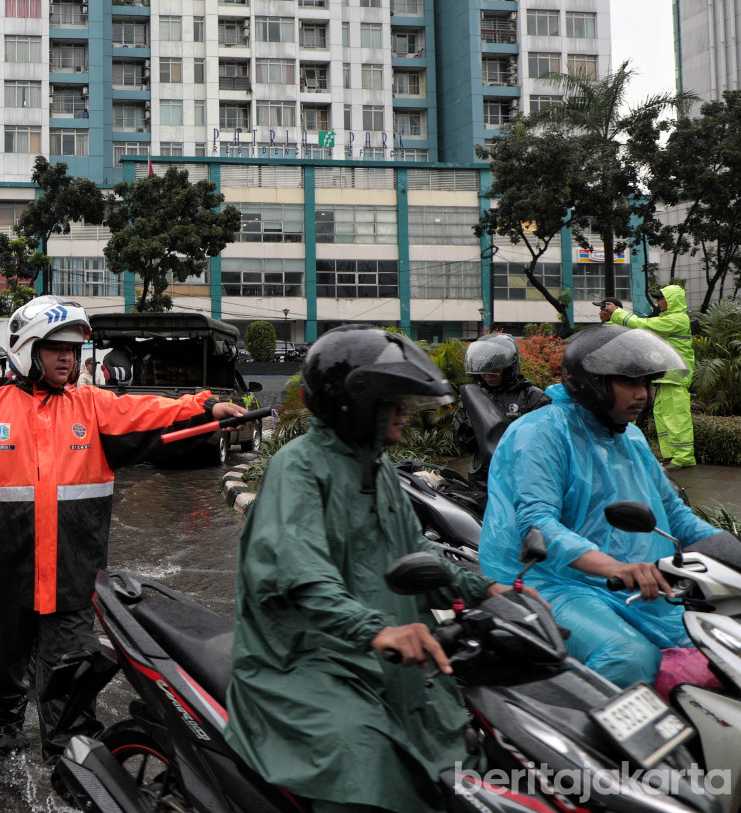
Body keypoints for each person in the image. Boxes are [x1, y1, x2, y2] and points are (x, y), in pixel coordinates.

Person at [0, 296, 247, 756]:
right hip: (2, 573)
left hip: (73, 577)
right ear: (28, 350)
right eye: (56, 349)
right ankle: (2, 719)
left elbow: (149, 412)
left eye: (73, 350)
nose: (67, 358)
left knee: (72, 675)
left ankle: (72, 756)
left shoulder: (93, 407)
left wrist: (205, 408)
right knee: (0, 666)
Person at [224, 326, 510, 813]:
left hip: (381, 655)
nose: (403, 411)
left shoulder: (378, 470)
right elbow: (301, 574)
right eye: (390, 401)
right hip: (306, 660)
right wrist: (376, 630)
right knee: (365, 762)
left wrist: (488, 589)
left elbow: (417, 557)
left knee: (467, 747)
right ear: (354, 404)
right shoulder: (298, 468)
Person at [482, 324, 725, 688]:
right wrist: (617, 568)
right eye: (629, 382)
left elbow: (675, 515)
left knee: (715, 646)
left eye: (647, 383)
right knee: (629, 656)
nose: (642, 394)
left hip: (626, 584)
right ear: (591, 383)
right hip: (548, 582)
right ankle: (571, 725)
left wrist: (728, 550)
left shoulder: (631, 437)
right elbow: (537, 524)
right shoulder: (540, 433)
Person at [601, 285, 696, 469]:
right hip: (668, 376)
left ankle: (684, 457)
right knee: (664, 416)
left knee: (676, 417)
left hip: (675, 377)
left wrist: (617, 313)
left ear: (671, 301)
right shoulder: (668, 319)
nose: (658, 302)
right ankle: (671, 454)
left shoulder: (676, 319)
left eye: (661, 298)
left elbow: (643, 325)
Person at [450, 333, 549, 503]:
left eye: (494, 371)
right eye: (484, 372)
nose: (488, 376)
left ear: (510, 367)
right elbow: (464, 445)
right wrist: (470, 427)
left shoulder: (533, 397)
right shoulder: (476, 398)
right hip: (483, 482)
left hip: (522, 480)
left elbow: (544, 444)